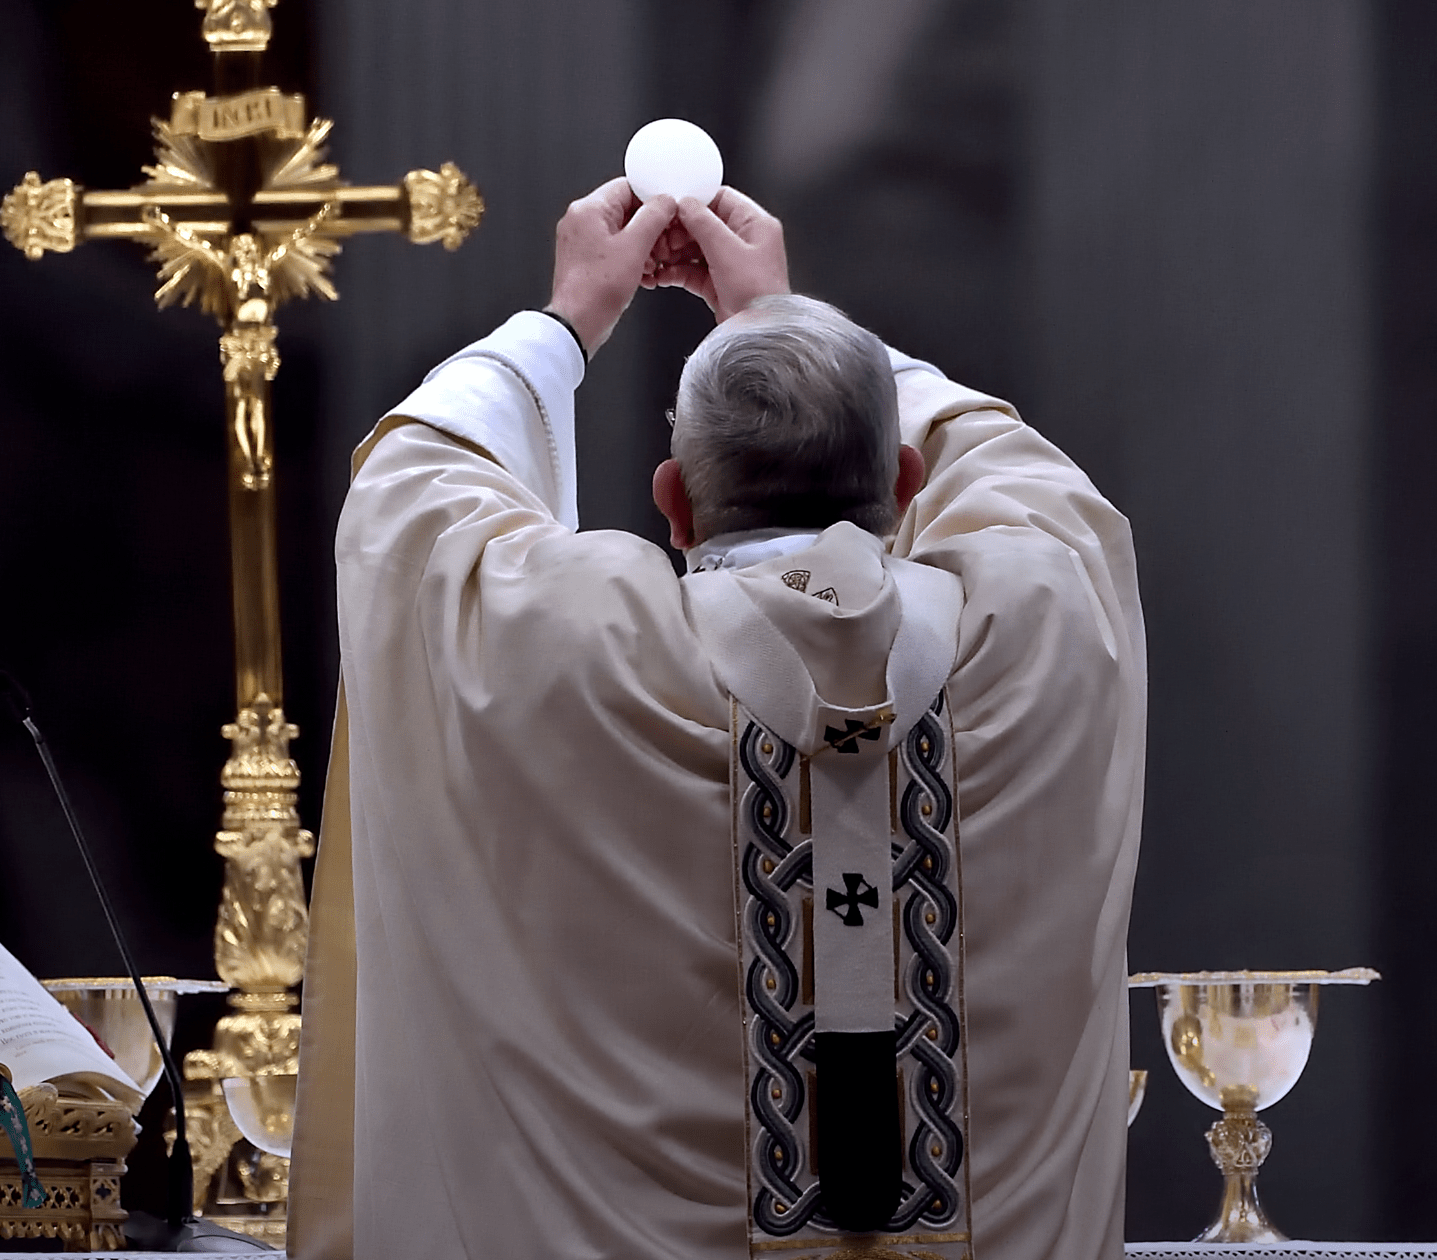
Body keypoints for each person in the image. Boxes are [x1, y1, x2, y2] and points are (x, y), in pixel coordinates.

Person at [289, 178, 1145, 1260]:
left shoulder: (576, 648)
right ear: (903, 477)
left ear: (672, 501)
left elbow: (410, 496)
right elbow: (1021, 470)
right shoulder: (1041, 618)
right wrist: (776, 317)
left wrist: (567, 319)